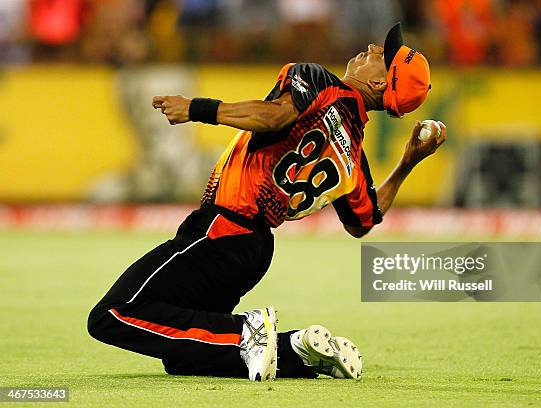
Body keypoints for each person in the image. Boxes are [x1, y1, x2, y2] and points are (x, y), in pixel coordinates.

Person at [87, 23, 446, 382]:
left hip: (223, 228)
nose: (372, 47)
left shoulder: (319, 81)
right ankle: (298, 351)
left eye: (383, 56)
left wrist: (196, 108)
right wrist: (406, 164)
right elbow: (364, 221)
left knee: (112, 315)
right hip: (255, 252)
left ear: (380, 84)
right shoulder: (352, 154)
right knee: (185, 358)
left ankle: (248, 331)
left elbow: (273, 115)